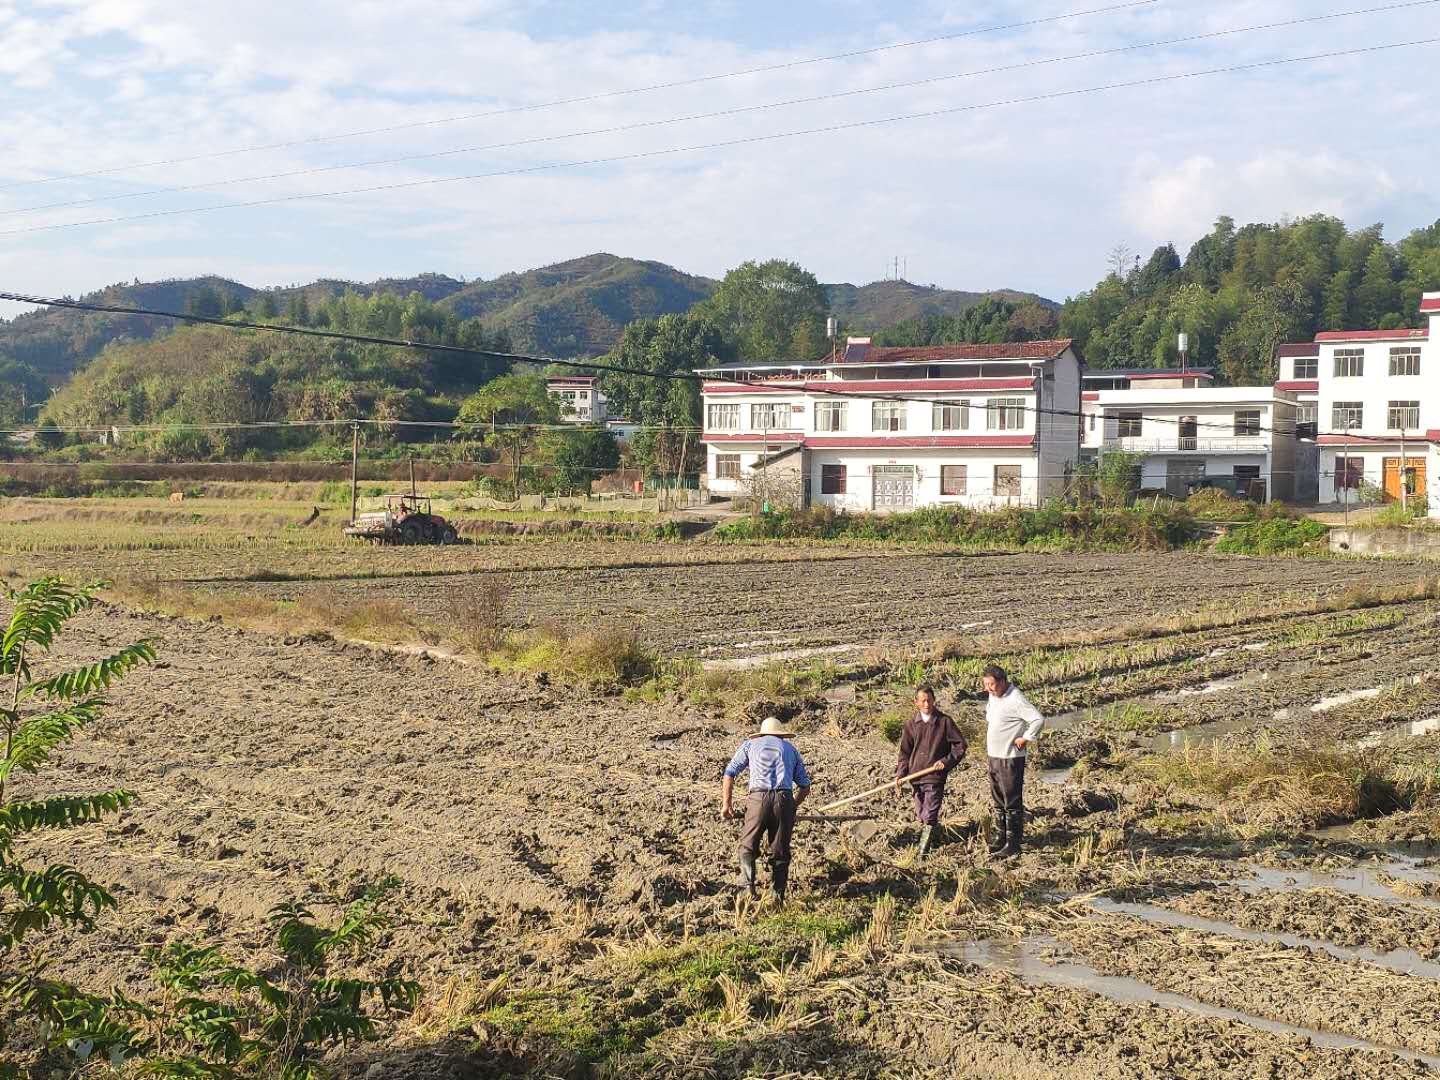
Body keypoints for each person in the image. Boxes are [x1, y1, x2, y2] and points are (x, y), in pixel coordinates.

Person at [721, 716, 811, 904]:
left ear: (762, 732)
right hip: (784, 799)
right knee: (780, 851)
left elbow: (729, 773)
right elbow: (805, 785)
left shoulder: (750, 745)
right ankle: (777, 897)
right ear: (781, 734)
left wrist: (727, 804)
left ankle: (748, 889)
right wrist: (792, 807)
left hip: (757, 799)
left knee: (747, 846)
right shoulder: (791, 750)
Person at [892, 684, 968, 859]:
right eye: (923, 701)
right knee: (921, 813)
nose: (927, 704)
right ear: (916, 702)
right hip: (915, 775)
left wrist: (946, 761)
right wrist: (900, 774)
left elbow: (960, 745)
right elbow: (904, 753)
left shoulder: (944, 722)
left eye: (930, 700)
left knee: (930, 813)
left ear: (934, 700)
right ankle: (935, 836)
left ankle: (922, 853)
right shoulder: (911, 725)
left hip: (934, 775)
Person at [982, 664, 1045, 858]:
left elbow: (1037, 719)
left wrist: (1025, 738)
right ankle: (1001, 837)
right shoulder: (994, 696)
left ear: (1002, 682)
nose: (988, 689)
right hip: (994, 755)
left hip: (1010, 757)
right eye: (985, 684)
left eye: (991, 684)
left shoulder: (1016, 698)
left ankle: (1013, 843)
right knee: (998, 798)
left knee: (1012, 800)